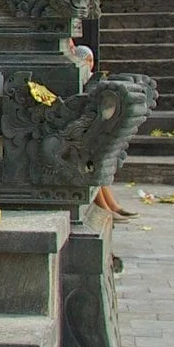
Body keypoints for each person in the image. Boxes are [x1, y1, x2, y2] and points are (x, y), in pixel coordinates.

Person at [69, 40, 136, 219]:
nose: (90, 64)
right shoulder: (77, 77)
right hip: (75, 134)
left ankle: (112, 206)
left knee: (98, 166)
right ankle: (105, 208)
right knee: (89, 165)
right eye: (87, 60)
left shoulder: (91, 78)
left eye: (91, 60)